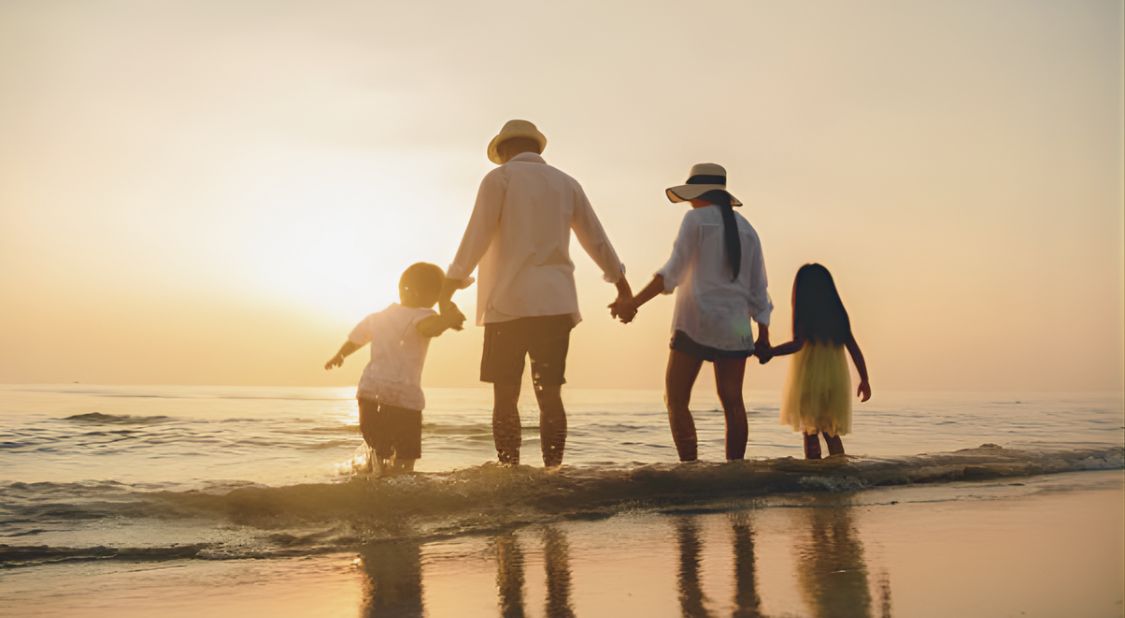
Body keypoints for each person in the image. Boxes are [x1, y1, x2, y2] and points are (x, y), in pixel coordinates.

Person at [443, 119, 633, 467]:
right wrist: (623, 288)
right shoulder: (566, 183)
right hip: (555, 304)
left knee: (505, 396)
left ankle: (510, 470)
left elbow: (476, 236)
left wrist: (450, 287)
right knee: (550, 396)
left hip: (508, 304)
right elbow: (596, 238)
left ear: (503, 150)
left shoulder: (499, 179)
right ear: (536, 147)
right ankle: (553, 471)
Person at [614, 163, 772, 461]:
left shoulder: (695, 220)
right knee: (733, 402)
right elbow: (759, 290)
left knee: (676, 399)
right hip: (736, 328)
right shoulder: (748, 229)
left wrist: (633, 302)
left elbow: (672, 273)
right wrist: (763, 334)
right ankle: (735, 471)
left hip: (695, 322)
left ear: (699, 195)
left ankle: (689, 468)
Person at [324, 262, 465, 474]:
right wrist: (447, 319)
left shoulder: (377, 317)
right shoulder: (423, 314)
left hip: (370, 393)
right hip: (404, 397)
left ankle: (374, 477)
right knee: (405, 458)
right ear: (420, 293)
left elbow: (356, 340)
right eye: (436, 295)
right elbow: (430, 329)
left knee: (378, 448)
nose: (437, 301)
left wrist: (340, 355)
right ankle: (396, 485)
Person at [764, 263, 871, 459]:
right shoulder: (838, 315)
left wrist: (771, 352)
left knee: (810, 431)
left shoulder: (805, 313)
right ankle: (839, 469)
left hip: (810, 377)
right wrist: (864, 379)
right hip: (835, 379)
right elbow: (854, 348)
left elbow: (797, 344)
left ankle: (813, 470)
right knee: (831, 431)